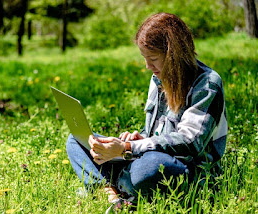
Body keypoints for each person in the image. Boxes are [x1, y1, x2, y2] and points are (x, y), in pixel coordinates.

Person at [66, 12, 228, 210]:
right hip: (147, 157)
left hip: (188, 171)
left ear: (174, 55)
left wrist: (127, 149)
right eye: (144, 58)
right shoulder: (158, 78)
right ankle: (111, 190)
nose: (147, 66)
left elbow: (190, 143)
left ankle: (113, 184)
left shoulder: (207, 84)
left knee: (149, 167)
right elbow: (154, 135)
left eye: (152, 58)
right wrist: (135, 139)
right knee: (76, 141)